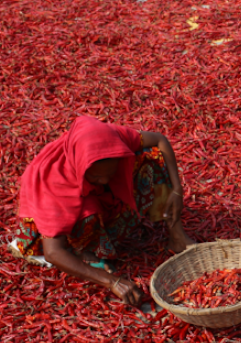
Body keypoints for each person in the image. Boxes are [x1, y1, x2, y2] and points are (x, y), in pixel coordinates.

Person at [10, 115, 195, 307]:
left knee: (152, 157)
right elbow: (53, 253)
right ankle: (84, 251)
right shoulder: (55, 182)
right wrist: (111, 281)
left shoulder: (113, 138)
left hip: (94, 198)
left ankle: (177, 237)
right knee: (87, 212)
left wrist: (177, 190)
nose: (106, 181)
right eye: (97, 176)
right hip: (58, 220)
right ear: (81, 167)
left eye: (110, 173)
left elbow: (159, 140)